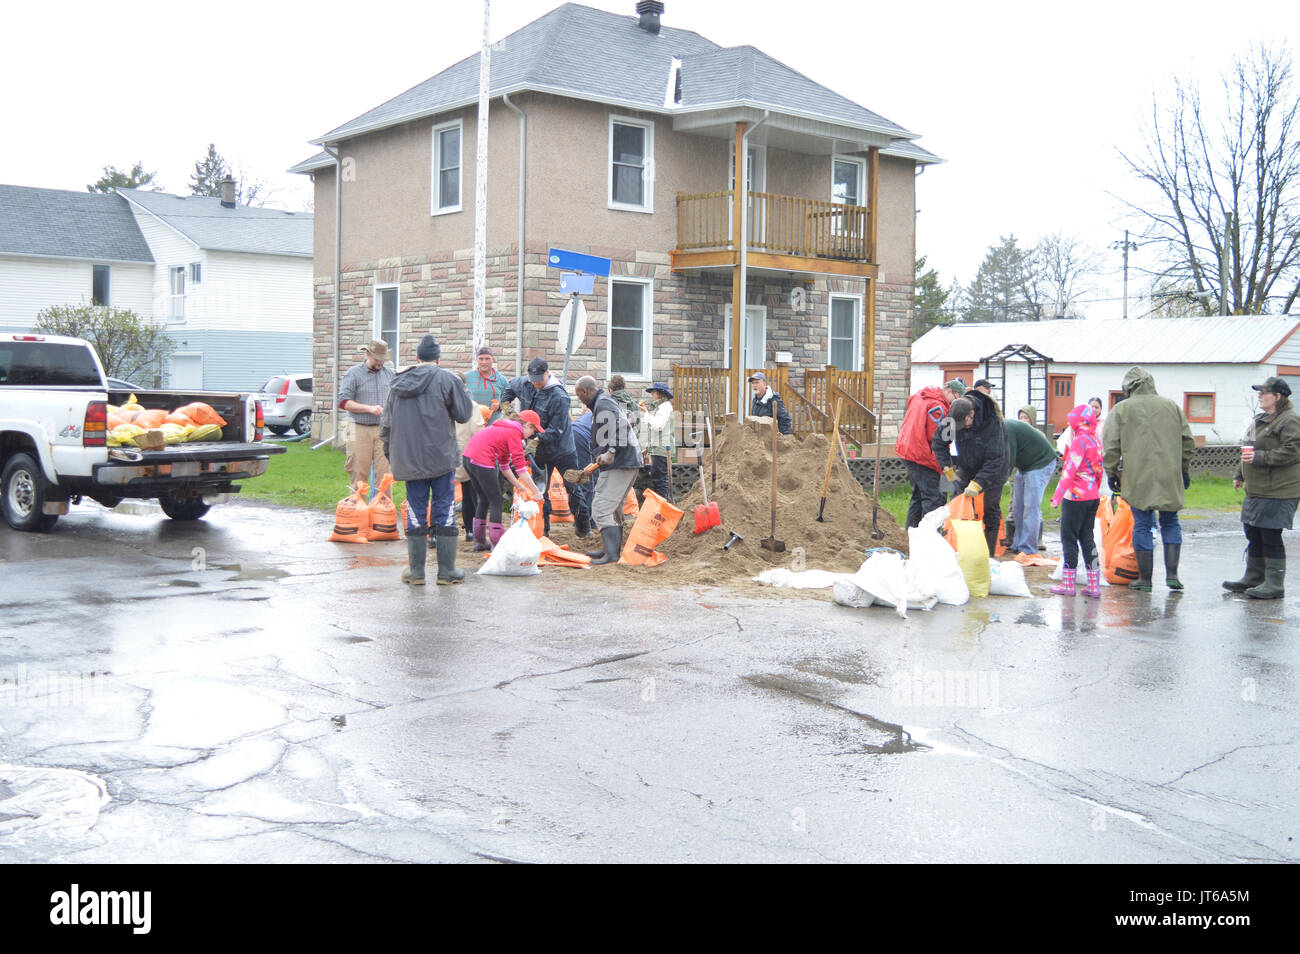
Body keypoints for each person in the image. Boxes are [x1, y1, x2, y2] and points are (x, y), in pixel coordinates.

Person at [380, 335, 473, 585]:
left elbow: (385, 426)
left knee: (415, 510)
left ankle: (416, 572)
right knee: (444, 509)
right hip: (441, 458)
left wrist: (393, 455)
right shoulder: (448, 379)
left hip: (409, 460)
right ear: (438, 358)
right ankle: (446, 571)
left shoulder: (397, 384)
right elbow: (464, 415)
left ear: (417, 358)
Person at [1103, 367, 1194, 591]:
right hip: (1169, 474)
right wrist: (1183, 469)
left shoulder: (1121, 409)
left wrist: (1112, 472)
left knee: (1142, 525)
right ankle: (1172, 576)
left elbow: (1111, 446)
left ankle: (1145, 579)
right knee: (1171, 522)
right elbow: (1188, 442)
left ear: (1129, 387)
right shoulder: (1172, 406)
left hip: (1137, 475)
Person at [1224, 376, 1300, 599]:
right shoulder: (1259, 419)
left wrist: (1261, 457)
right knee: (1253, 532)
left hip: (1280, 489)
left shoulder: (1290, 421)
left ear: (1278, 396)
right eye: (1259, 392)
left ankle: (1275, 585)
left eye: (1263, 392)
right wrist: (1240, 474)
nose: (1259, 396)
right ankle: (1254, 577)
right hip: (1256, 488)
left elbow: (1292, 451)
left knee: (1270, 535)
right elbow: (1247, 448)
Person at [501, 357, 577, 536]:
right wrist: (508, 408)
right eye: (533, 380)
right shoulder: (523, 383)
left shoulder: (559, 396)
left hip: (562, 449)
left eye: (539, 380)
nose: (536, 383)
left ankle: (584, 527)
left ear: (547, 373)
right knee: (540, 488)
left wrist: (536, 440)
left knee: (574, 488)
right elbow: (508, 391)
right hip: (539, 450)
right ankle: (543, 530)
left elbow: (556, 429)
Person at [931, 389, 1008, 558]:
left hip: (994, 470)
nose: (962, 428)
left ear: (972, 413)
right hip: (967, 466)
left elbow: (995, 458)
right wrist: (947, 468)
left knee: (989, 509)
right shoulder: (954, 418)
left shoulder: (991, 422)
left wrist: (979, 482)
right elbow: (939, 443)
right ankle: (961, 551)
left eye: (965, 423)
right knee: (959, 506)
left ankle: (988, 556)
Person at [574, 375, 642, 565]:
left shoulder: (603, 403)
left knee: (601, 507)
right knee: (612, 509)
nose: (579, 400)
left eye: (579, 396)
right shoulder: (604, 402)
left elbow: (620, 427)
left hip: (621, 462)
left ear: (585, 392)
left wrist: (611, 451)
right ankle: (609, 549)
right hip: (625, 461)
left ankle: (612, 555)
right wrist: (598, 459)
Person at [462, 409, 545, 551]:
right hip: (482, 460)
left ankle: (480, 541)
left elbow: (504, 466)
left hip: (468, 458)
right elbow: (520, 469)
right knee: (496, 501)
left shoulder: (505, 428)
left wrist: (518, 485)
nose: (533, 435)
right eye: (534, 431)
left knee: (483, 499)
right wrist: (536, 491)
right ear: (527, 425)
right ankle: (497, 542)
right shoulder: (514, 433)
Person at [1049, 404, 1105, 597]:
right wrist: (1094, 490)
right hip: (1092, 496)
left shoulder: (1079, 442)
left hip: (1075, 497)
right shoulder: (1096, 441)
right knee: (1088, 539)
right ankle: (1094, 585)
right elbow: (1099, 471)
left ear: (1077, 423)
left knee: (1069, 539)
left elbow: (1069, 471)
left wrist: (1057, 497)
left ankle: (1068, 584)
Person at [895, 379, 962, 528]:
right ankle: (929, 536)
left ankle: (911, 532)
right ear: (950, 392)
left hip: (907, 450)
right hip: (921, 455)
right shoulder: (938, 407)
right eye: (957, 398)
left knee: (918, 496)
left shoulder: (920, 397)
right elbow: (937, 440)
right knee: (933, 497)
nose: (954, 404)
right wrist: (942, 466)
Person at [338, 339, 395, 494]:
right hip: (359, 428)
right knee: (359, 474)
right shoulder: (353, 374)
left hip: (383, 430)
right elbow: (343, 402)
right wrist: (368, 408)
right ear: (368, 354)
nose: (380, 363)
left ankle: (381, 515)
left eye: (383, 359)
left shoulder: (390, 374)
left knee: (385, 477)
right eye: (377, 359)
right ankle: (357, 514)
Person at [1004, 414, 1058, 556]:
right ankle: (1018, 543)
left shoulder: (1007, 429)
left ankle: (1028, 548)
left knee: (1031, 505)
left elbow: (1009, 460)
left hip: (1042, 462)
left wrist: (998, 481)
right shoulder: (999, 430)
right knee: (1018, 506)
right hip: (1025, 466)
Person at [452, 375, 488, 541]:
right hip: (467, 452)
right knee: (469, 493)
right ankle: (470, 530)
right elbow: (478, 431)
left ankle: (437, 530)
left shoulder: (441, 403)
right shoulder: (471, 406)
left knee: (441, 493)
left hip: (444, 453)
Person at [639, 382, 675, 502]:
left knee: (660, 480)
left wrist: (646, 413)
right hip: (657, 448)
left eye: (654, 392)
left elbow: (657, 426)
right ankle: (661, 505)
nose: (652, 395)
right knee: (657, 478)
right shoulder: (660, 407)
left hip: (662, 449)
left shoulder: (665, 408)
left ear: (660, 394)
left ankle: (663, 506)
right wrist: (648, 448)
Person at [466, 346, 508, 423]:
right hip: (472, 424)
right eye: (481, 359)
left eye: (487, 359)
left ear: (493, 359)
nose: (484, 362)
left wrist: (499, 406)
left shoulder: (502, 380)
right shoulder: (467, 377)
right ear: (477, 360)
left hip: (493, 426)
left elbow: (508, 406)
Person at [570, 409, 596, 537]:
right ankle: (588, 521)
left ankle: (580, 520)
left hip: (573, 434)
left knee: (580, 478)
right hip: (583, 437)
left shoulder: (598, 409)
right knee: (590, 480)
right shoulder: (612, 414)